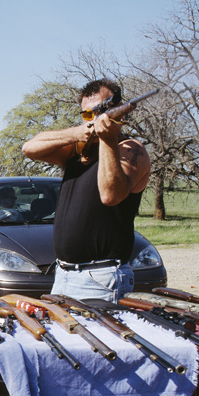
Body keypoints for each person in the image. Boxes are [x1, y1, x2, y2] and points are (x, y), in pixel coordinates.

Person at [22, 78, 151, 302]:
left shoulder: (131, 149)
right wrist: (77, 133)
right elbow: (29, 148)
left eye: (101, 111)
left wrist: (108, 139)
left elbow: (110, 195)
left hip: (100, 277)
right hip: (63, 274)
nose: (95, 118)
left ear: (118, 109)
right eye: (88, 114)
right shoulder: (78, 151)